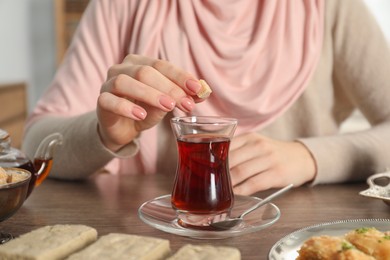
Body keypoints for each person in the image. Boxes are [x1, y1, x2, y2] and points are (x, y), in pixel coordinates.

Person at [22, 0, 390, 195]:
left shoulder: (331, 6)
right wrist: (104, 134)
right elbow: (38, 142)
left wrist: (309, 157)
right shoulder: (121, 5)